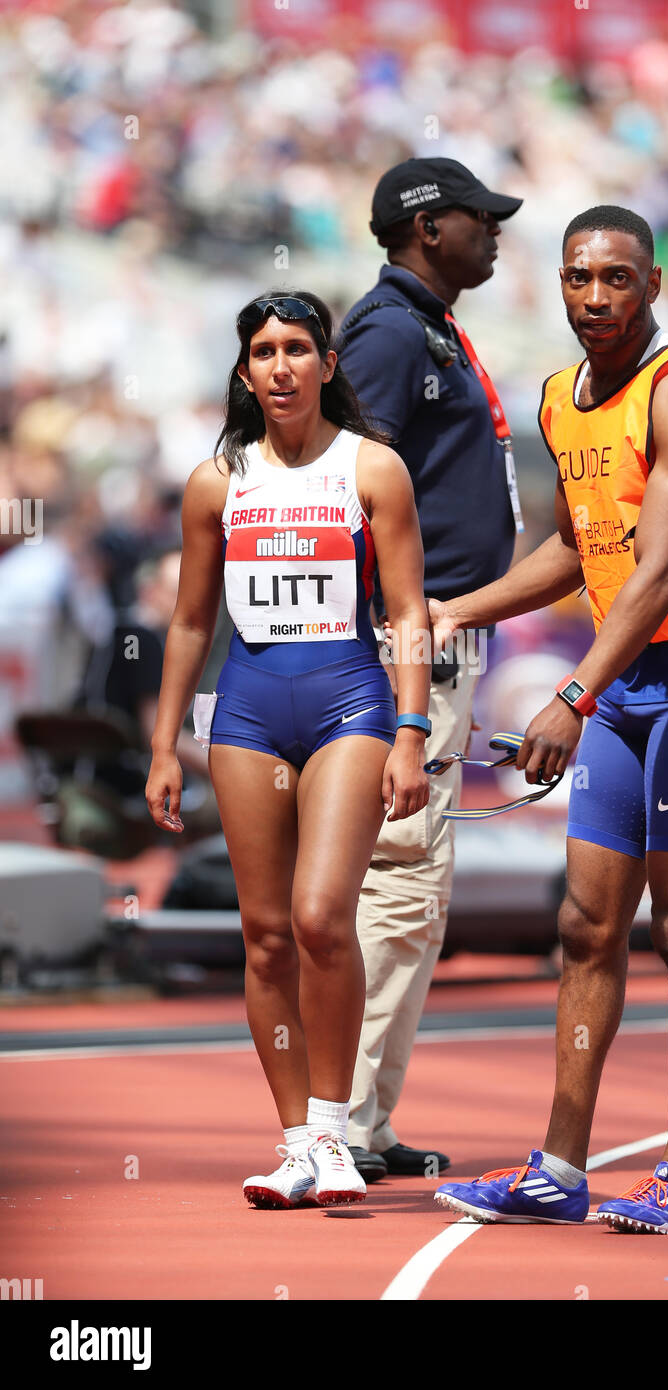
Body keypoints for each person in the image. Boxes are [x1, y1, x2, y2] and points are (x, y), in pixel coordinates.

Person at [432, 206, 668, 1231]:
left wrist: (571, 693)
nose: (593, 297)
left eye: (615, 279)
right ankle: (558, 1168)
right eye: (578, 277)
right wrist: (458, 608)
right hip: (620, 688)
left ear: (652, 285)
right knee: (585, 926)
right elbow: (578, 549)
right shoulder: (556, 400)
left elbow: (662, 563)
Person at [144, 290, 431, 1208]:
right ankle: (298, 1144)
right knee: (264, 937)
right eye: (264, 351)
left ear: (328, 365)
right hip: (249, 713)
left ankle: (340, 1132)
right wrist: (162, 743)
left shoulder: (373, 469)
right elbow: (190, 622)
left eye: (298, 349)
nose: (280, 366)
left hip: (350, 702)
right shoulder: (217, 481)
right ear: (244, 371)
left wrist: (413, 731)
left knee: (318, 917)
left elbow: (408, 611)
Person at [336, 157, 524, 1179]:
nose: (490, 232)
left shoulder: (428, 327)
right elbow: (339, 486)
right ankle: (344, 1117)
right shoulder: (392, 330)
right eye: (476, 218)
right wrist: (389, 629)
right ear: (424, 229)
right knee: (398, 883)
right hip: (405, 642)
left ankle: (360, 1116)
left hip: (429, 636)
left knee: (411, 886)